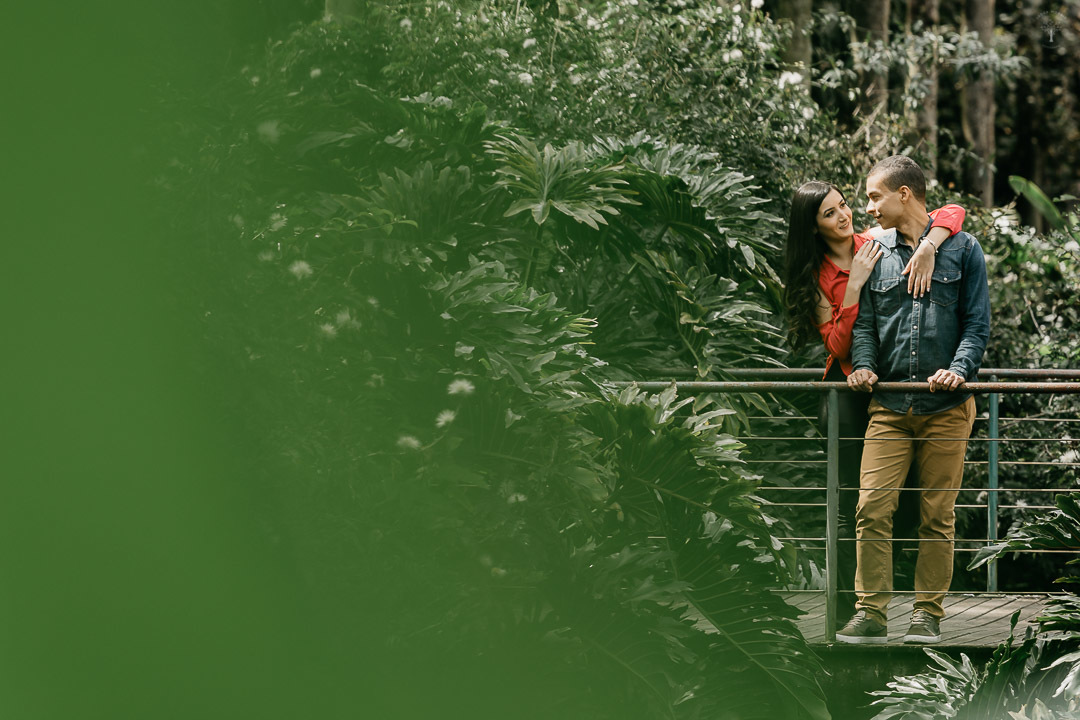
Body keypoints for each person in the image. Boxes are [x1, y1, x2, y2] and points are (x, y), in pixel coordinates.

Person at [782, 181, 966, 627]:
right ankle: (851, 612)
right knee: (854, 507)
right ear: (813, 227)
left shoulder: (876, 242)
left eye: (843, 206)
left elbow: (952, 213)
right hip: (848, 395)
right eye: (829, 213)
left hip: (897, 391)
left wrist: (928, 248)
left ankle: (891, 602)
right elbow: (839, 343)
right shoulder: (816, 276)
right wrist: (855, 285)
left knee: (904, 507)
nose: (844, 216)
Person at [835, 155, 990, 645]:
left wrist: (959, 370)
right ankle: (871, 613)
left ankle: (928, 614)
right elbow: (864, 322)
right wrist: (863, 365)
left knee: (936, 516)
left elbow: (976, 324)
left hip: (945, 409)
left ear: (905, 194)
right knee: (871, 508)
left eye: (875, 196)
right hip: (890, 408)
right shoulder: (873, 250)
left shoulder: (964, 250)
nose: (868, 206)